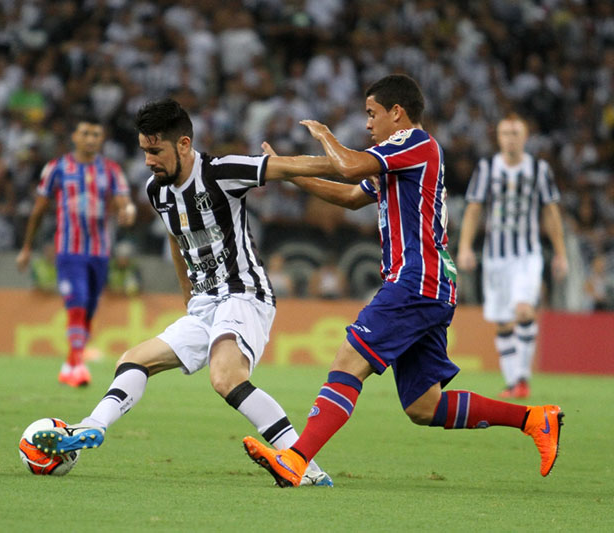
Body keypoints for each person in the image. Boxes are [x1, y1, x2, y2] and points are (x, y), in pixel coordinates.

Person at [242, 74, 564, 488]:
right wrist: (290, 175)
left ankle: (296, 458)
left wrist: (324, 135)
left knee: (348, 361)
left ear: (397, 113)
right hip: (430, 284)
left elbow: (348, 165)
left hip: (415, 280)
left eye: (371, 113)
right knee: (423, 406)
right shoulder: (399, 156)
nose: (367, 124)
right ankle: (534, 419)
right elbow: (350, 196)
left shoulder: (414, 142)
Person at [31, 98, 342, 485]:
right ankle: (92, 425)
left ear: (183, 144)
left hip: (244, 293)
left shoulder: (221, 172)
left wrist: (357, 164)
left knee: (225, 377)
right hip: (205, 303)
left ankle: (305, 466)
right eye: (144, 151)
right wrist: (189, 298)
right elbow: (176, 240)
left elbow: (292, 166)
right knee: (133, 359)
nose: (148, 161)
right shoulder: (157, 190)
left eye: (155, 151)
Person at [16, 115, 137, 387]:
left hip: (100, 251)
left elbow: (124, 201)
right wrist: (27, 247)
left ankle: (71, 363)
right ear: (74, 137)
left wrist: (128, 211)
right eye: (85, 134)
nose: (91, 139)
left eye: (96, 135)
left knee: (89, 308)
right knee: (78, 301)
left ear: (102, 139)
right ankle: (77, 365)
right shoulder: (57, 168)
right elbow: (39, 209)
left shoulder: (111, 170)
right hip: (69, 249)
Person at [457, 114, 568, 399]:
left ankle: (521, 378)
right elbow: (473, 208)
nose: (510, 139)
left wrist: (560, 253)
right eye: (506, 133)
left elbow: (551, 211)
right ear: (498, 138)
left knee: (523, 309)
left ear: (525, 137)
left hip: (527, 255)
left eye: (516, 133)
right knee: (504, 321)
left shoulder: (539, 169)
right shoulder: (487, 168)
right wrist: (465, 247)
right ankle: (512, 383)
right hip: (495, 258)